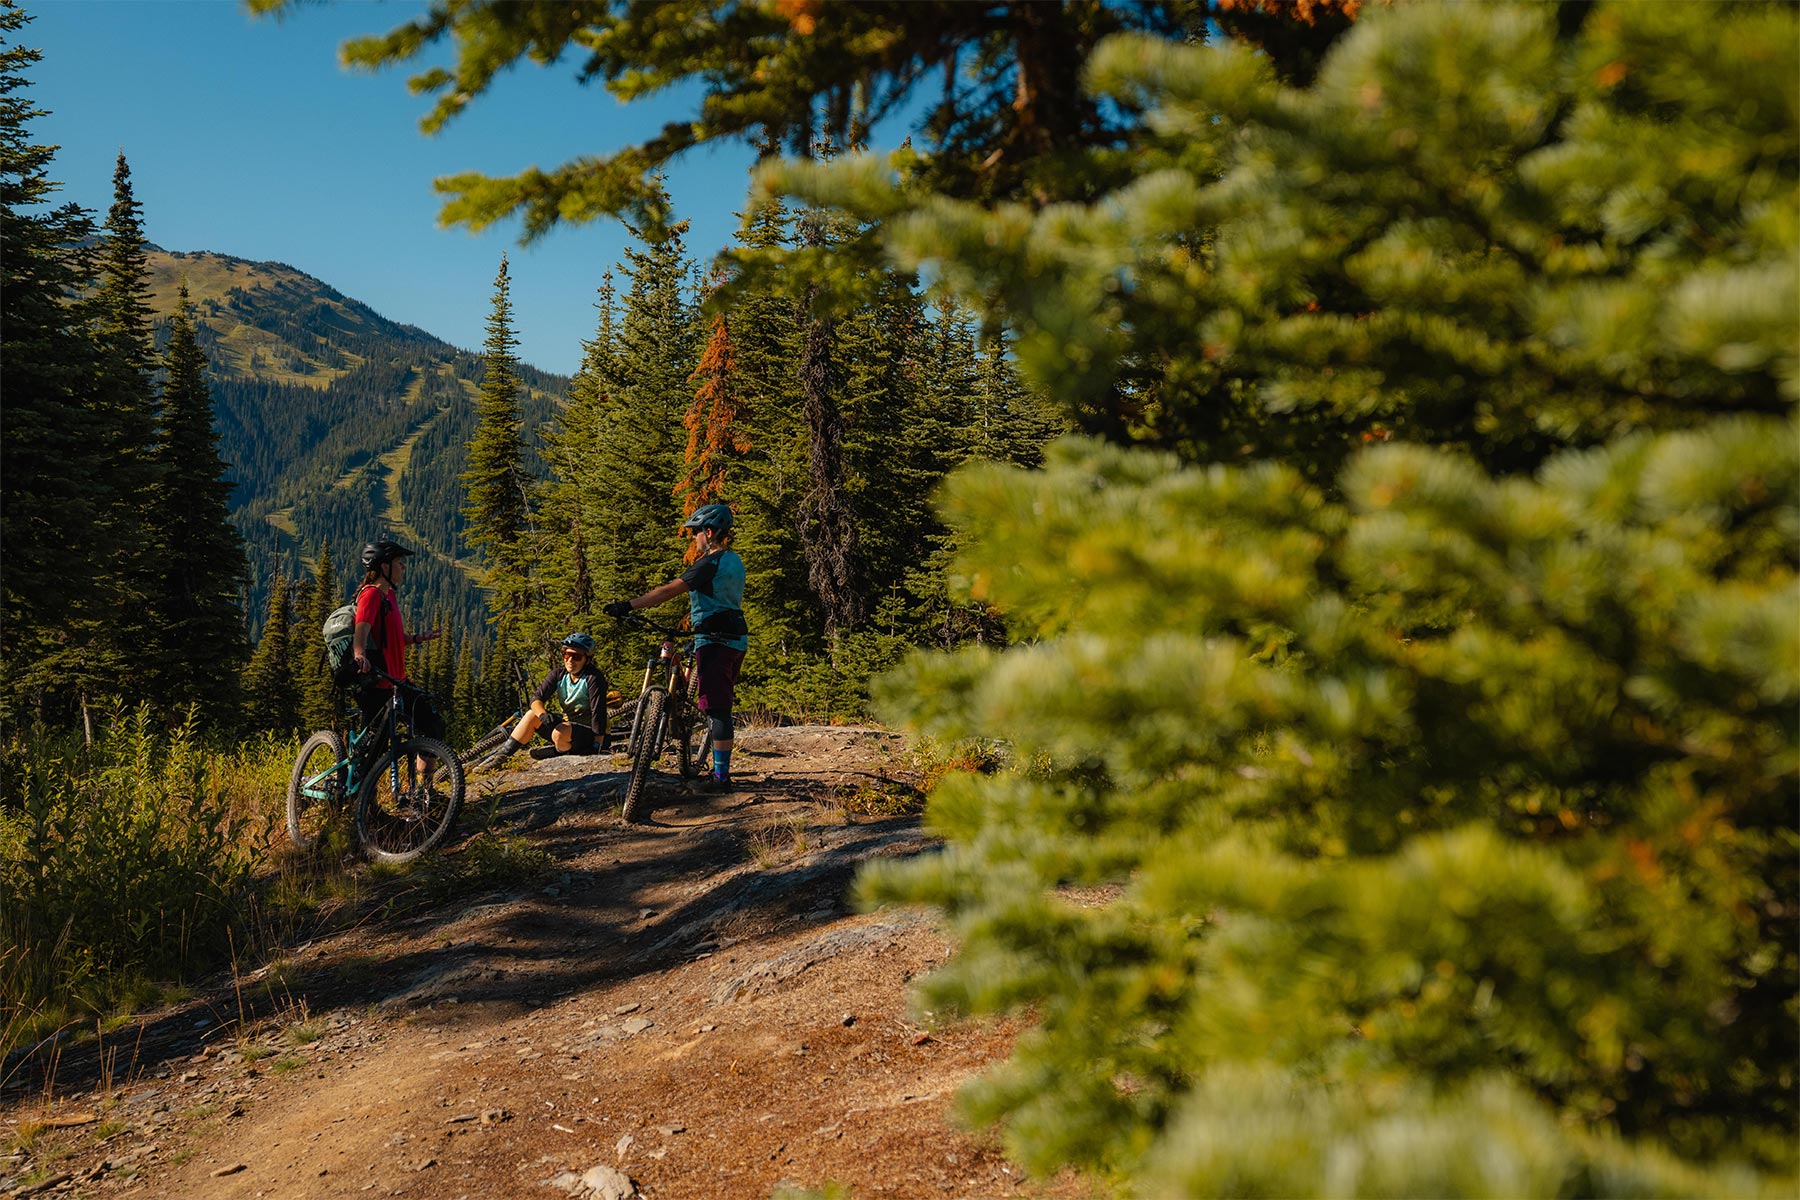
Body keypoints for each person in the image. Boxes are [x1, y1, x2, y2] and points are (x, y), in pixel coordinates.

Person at [603, 502, 747, 789]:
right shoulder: (735, 560)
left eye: (696, 534)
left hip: (715, 641)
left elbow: (669, 590)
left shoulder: (709, 563)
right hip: (735, 638)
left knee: (717, 709)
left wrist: (628, 605)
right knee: (715, 700)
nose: (695, 539)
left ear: (709, 531)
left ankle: (721, 778)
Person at [351, 539, 445, 748]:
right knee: (375, 747)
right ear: (384, 566)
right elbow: (362, 629)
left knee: (433, 726)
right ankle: (354, 780)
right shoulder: (371, 594)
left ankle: (425, 782)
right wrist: (359, 654)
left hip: (397, 682)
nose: (403, 567)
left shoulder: (389, 595)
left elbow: (393, 639)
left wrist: (418, 638)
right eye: (399, 562)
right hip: (377, 685)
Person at [478, 632, 609, 771]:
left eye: (576, 657)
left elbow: (598, 712)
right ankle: (501, 757)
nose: (570, 660)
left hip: (590, 733)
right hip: (568, 728)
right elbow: (536, 699)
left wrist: (597, 745)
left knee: (559, 732)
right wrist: (542, 715)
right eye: (567, 655)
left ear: (587, 659)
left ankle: (557, 753)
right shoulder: (559, 674)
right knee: (531, 715)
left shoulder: (593, 678)